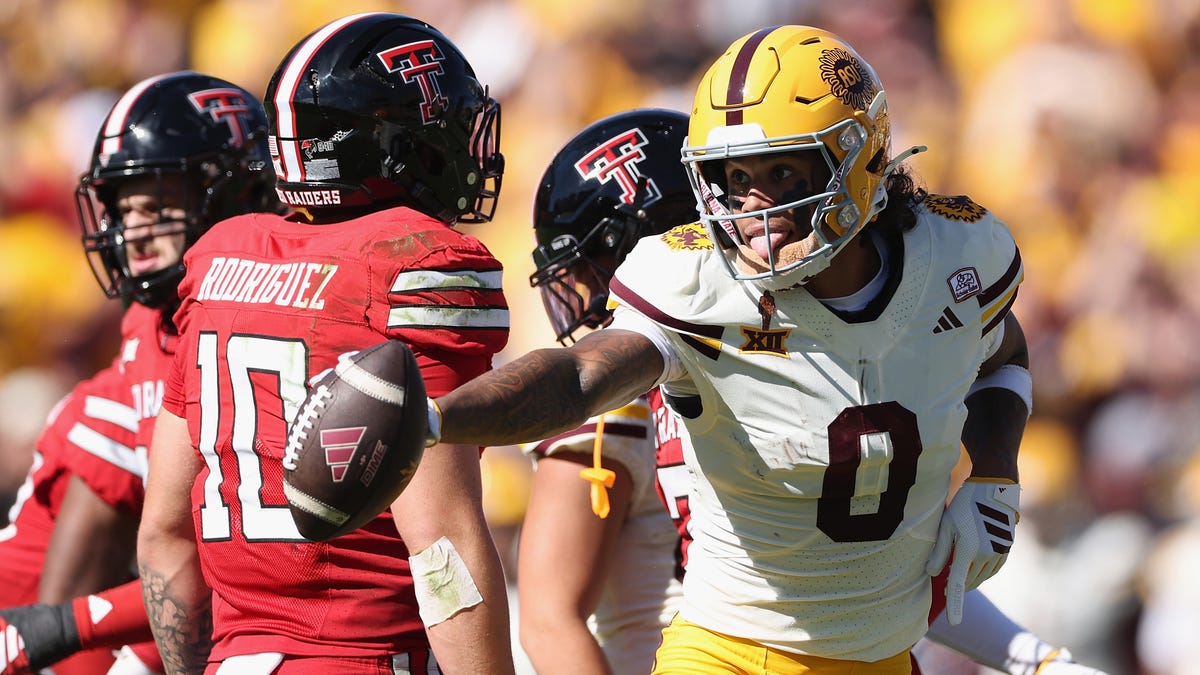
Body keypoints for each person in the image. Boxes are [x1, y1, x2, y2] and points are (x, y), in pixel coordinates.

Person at [367, 24, 1034, 673]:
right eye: (736, 177)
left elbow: (1002, 348)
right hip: (727, 652)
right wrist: (436, 418)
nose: (754, 206)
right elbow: (578, 375)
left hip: (882, 653)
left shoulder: (957, 258)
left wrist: (995, 470)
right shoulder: (695, 279)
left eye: (782, 171)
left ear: (859, 158)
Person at [517, 108, 1109, 675]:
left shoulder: (770, 350)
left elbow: (867, 571)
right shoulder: (620, 387)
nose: (581, 293)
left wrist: (1031, 659)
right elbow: (549, 619)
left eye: (592, 262)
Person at [136, 12, 515, 675]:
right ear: (394, 149)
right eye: (444, 136)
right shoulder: (417, 259)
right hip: (368, 656)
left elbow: (165, 532)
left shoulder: (218, 258)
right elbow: (441, 546)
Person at [0, 70, 279, 675]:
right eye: (125, 209)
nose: (133, 233)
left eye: (156, 205)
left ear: (230, 196)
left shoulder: (242, 315)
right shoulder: (155, 329)